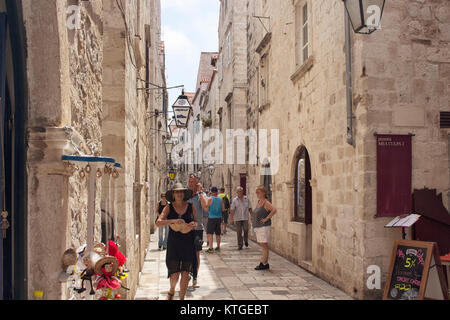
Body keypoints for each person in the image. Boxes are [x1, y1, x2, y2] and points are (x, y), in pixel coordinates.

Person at [156, 183, 198, 300]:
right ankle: (172, 290)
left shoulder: (191, 206)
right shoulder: (168, 207)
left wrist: (193, 224)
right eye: (177, 192)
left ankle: (182, 298)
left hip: (188, 242)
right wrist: (173, 221)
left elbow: (196, 221)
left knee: (185, 272)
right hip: (174, 242)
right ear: (173, 194)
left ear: (184, 194)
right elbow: (158, 222)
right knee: (174, 273)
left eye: (181, 192)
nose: (179, 194)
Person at [187, 174, 207, 290]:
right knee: (186, 253)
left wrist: (200, 192)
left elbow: (205, 207)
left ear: (197, 183)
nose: (190, 184)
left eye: (192, 182)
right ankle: (188, 272)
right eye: (189, 182)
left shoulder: (201, 195)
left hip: (198, 229)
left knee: (196, 254)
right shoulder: (185, 195)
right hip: (186, 229)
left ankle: (195, 276)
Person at [252, 185, 277, 270]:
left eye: (259, 193)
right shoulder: (259, 202)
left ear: (263, 193)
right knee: (263, 245)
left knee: (264, 245)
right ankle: (264, 262)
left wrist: (266, 218)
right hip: (258, 227)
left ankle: (264, 263)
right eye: (256, 193)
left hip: (264, 227)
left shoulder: (266, 202)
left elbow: (274, 210)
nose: (257, 194)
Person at [200, 186, 225, 253]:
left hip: (211, 218)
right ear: (217, 192)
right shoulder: (221, 199)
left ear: (211, 192)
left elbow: (207, 209)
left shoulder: (210, 199)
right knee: (218, 233)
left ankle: (211, 247)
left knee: (210, 233)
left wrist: (204, 207)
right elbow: (223, 209)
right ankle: (218, 246)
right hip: (219, 218)